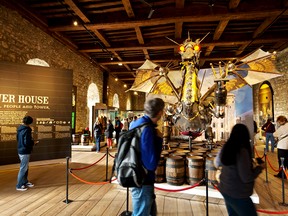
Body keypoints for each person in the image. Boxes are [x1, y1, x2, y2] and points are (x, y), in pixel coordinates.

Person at [214, 123, 264, 216]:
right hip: (237, 193)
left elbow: (217, 163)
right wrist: (259, 169)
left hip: (225, 188)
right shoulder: (242, 151)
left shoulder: (227, 147)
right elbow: (246, 177)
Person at [129, 97, 165, 216]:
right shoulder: (147, 129)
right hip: (143, 180)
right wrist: (159, 140)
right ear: (160, 112)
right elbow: (151, 163)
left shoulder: (135, 123)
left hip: (134, 173)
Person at [16, 116, 38, 191]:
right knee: (23, 168)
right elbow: (27, 142)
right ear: (30, 123)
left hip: (20, 149)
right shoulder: (27, 130)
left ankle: (25, 181)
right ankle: (19, 185)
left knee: (25, 167)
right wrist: (33, 143)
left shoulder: (20, 128)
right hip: (25, 151)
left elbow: (18, 139)